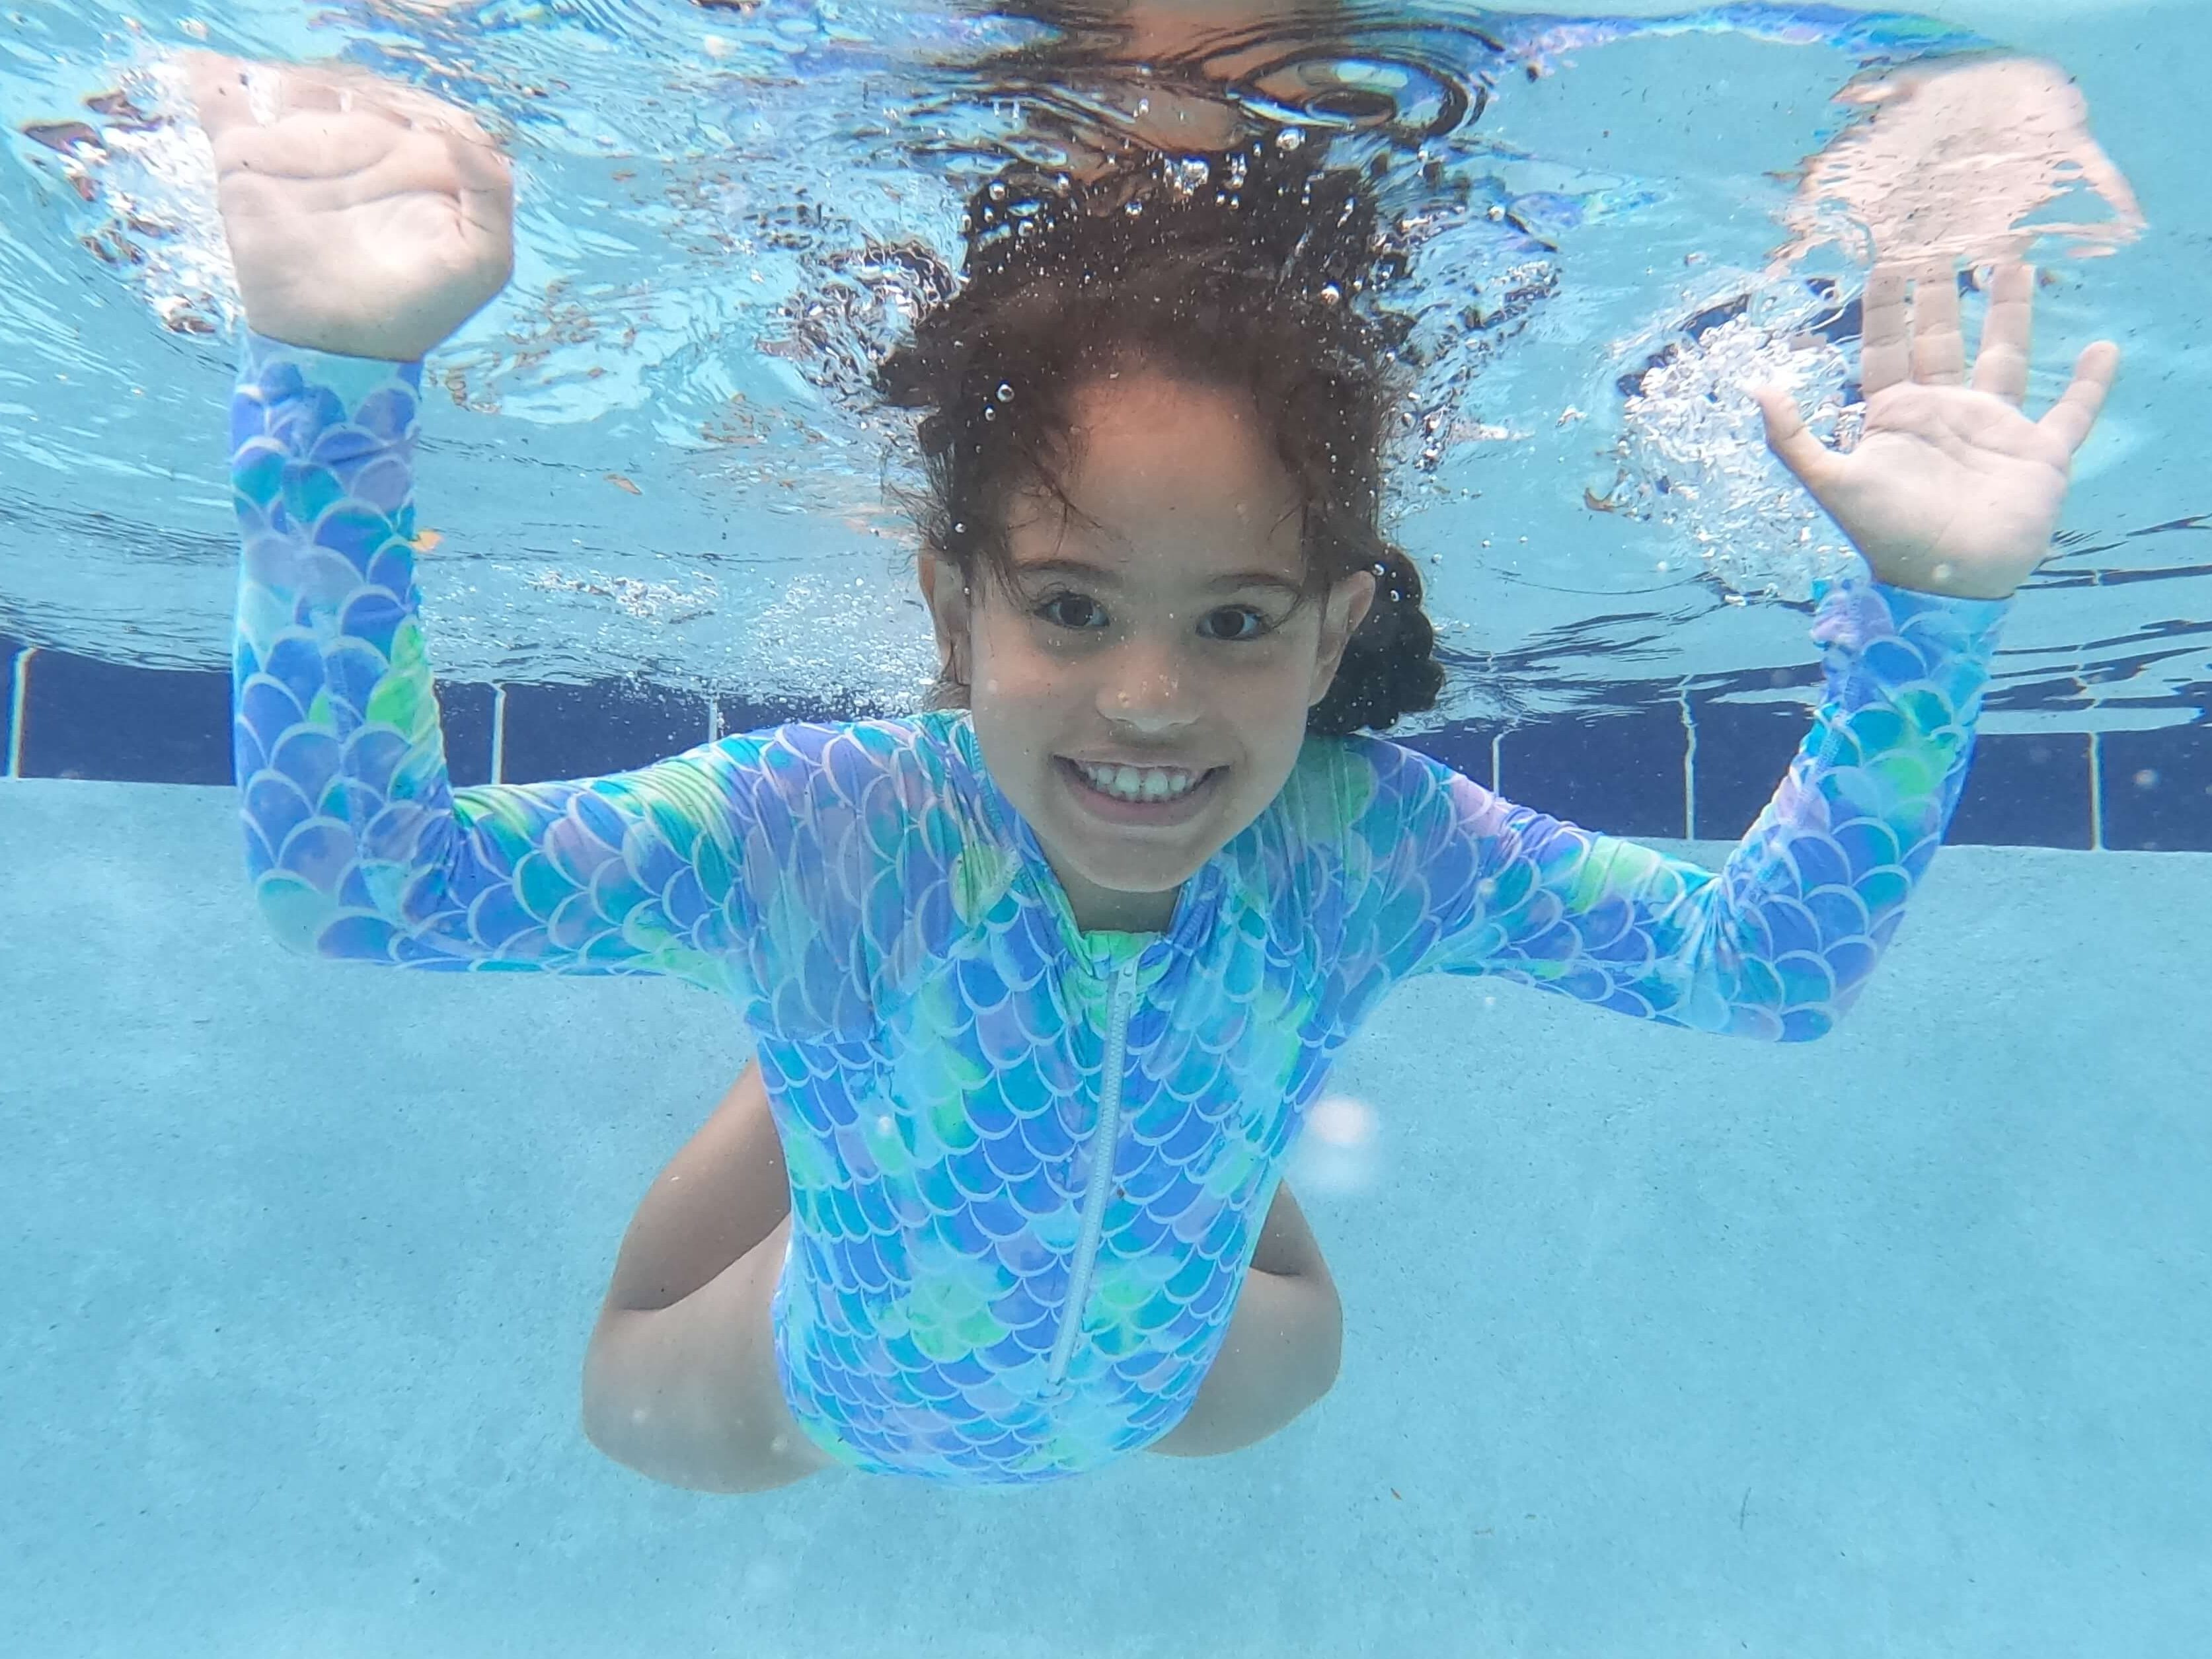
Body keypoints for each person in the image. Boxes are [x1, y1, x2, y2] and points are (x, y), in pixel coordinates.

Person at [189, 50, 2119, 1492]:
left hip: (1178, 1376)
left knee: (1289, 1356)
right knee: (630, 1406)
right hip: (815, 1394)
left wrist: (1927, 613)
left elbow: (1760, 972)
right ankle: (822, 1067)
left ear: (1338, 616)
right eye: (1072, 606)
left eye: (1235, 623)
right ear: (956, 605)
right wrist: (329, 385)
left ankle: (917, 1061)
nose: (1146, 703)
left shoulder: (1368, 847)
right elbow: (361, 881)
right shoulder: (828, 828)